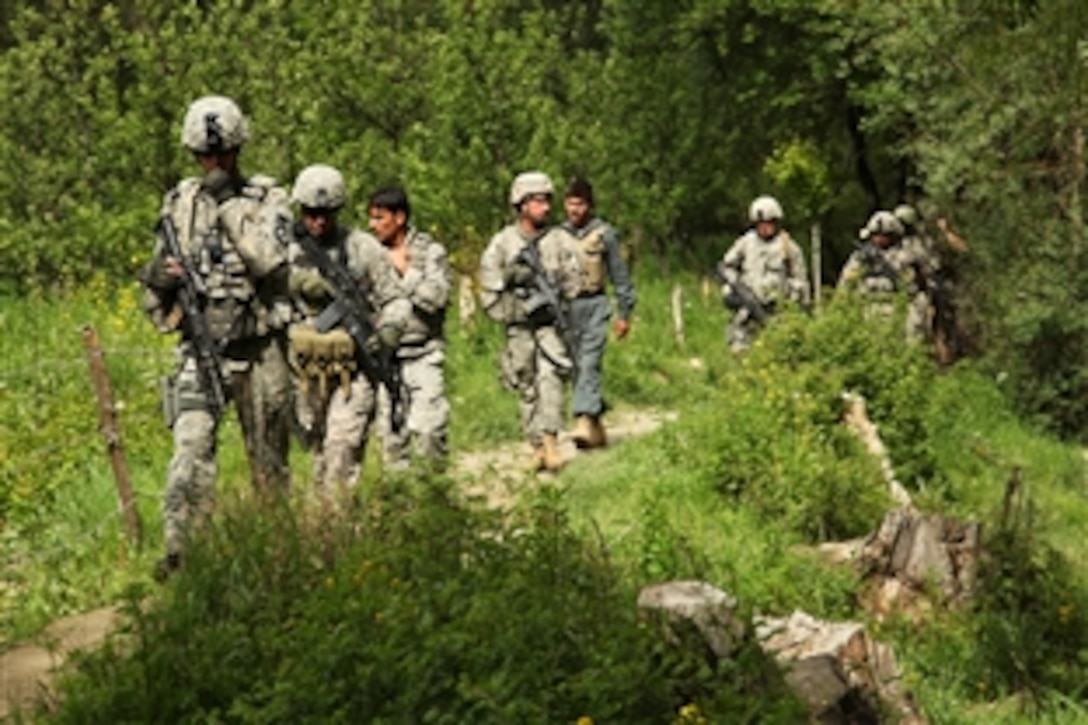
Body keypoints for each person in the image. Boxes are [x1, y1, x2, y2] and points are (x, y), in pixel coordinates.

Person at [138, 95, 293, 578]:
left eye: (222, 154)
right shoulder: (179, 204)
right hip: (200, 346)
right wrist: (159, 279)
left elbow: (268, 260)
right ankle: (183, 551)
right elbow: (155, 280)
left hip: (259, 347)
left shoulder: (269, 199)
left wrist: (228, 203)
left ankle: (277, 554)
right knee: (190, 447)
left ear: (238, 149)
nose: (214, 164)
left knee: (268, 460)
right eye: (205, 156)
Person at [284, 165, 406, 497]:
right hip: (306, 371)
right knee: (316, 449)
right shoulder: (286, 250)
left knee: (342, 448)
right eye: (311, 213)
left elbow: (394, 298)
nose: (318, 221)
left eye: (326, 213)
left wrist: (390, 331)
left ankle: (336, 522)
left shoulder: (362, 248)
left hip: (354, 369)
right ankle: (319, 528)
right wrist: (294, 283)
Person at [479, 171, 582, 472]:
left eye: (548, 200)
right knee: (525, 380)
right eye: (538, 201)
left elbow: (574, 280)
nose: (546, 207)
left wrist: (556, 293)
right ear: (522, 204)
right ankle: (536, 444)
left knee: (551, 377)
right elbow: (489, 285)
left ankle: (551, 442)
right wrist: (511, 283)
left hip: (550, 324)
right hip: (518, 325)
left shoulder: (559, 240)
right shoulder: (503, 243)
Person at [367, 186, 452, 468]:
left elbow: (437, 298)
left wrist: (406, 272)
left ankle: (437, 495)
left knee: (429, 432)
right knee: (392, 443)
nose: (373, 225)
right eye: (371, 218)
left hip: (423, 354)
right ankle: (400, 507)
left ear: (399, 217)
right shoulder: (368, 253)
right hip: (385, 361)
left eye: (380, 218)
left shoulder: (429, 252)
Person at [559, 176, 635, 449]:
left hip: (595, 305)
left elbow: (620, 276)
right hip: (566, 309)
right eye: (570, 203)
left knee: (590, 363)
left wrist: (624, 313)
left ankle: (582, 420)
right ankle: (597, 423)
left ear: (589, 205)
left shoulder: (604, 234)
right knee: (575, 368)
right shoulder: (558, 236)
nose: (574, 210)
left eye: (579, 204)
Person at [718, 195, 810, 352]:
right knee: (739, 349)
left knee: (779, 351)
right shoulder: (746, 242)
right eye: (760, 224)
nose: (764, 228)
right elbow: (726, 266)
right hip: (748, 308)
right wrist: (737, 288)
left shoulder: (788, 247)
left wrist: (795, 301)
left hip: (778, 311)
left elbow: (801, 281)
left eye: (768, 223)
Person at [837, 210, 929, 342]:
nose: (879, 239)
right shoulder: (861, 257)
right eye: (875, 235)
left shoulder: (905, 256)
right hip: (868, 310)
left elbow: (915, 288)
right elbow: (846, 284)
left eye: (883, 235)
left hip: (898, 310)